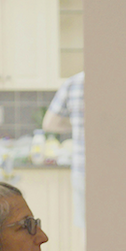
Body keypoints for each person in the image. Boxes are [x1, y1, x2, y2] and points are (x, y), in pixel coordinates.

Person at [43, 70, 85, 233]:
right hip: (116, 170)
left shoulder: (73, 83)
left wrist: (76, 124)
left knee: (87, 230)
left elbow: (50, 123)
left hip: (83, 169)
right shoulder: (118, 81)